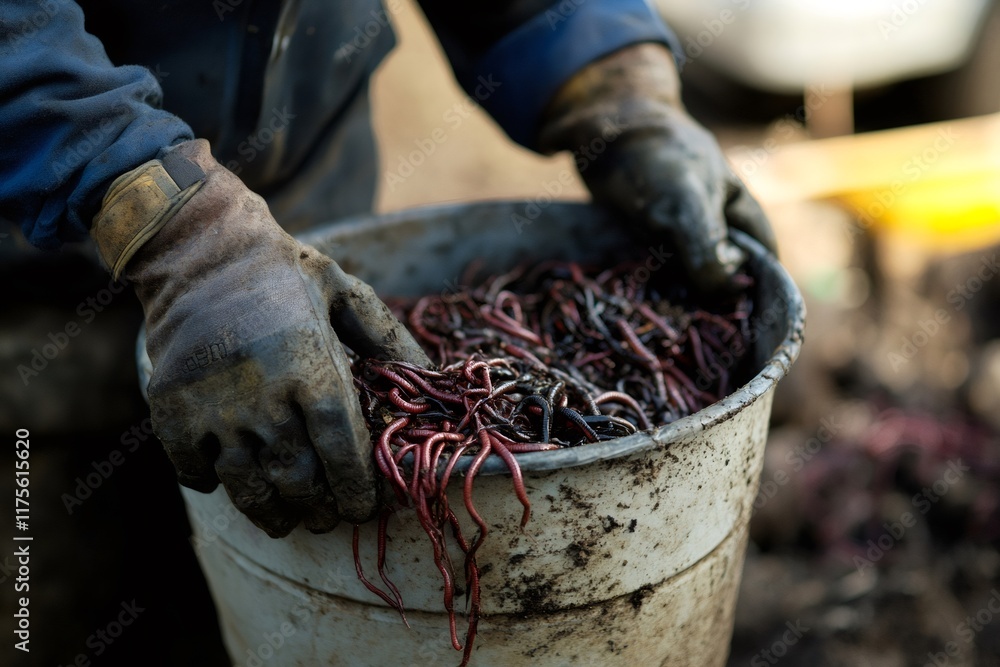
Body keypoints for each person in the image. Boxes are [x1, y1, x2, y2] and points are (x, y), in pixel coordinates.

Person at [0, 0, 776, 539]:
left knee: (302, 567)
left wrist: (616, 84)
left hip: (301, 199)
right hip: (34, 268)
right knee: (59, 579)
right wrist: (176, 228)